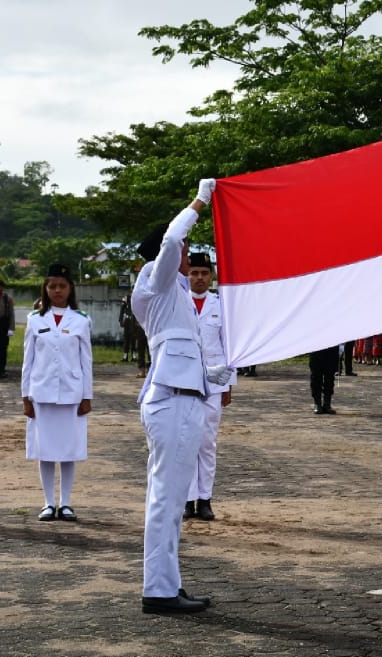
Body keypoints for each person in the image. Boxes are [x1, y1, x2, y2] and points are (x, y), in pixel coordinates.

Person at [131, 179, 232, 614]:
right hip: (171, 401)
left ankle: (166, 585)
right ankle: (157, 590)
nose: (188, 252)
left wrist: (213, 374)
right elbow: (173, 237)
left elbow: (181, 355)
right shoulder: (156, 281)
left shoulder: (171, 295)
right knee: (166, 500)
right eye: (186, 248)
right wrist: (200, 199)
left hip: (184, 396)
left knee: (171, 501)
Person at [21, 263, 93, 522]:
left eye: (62, 285)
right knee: (46, 450)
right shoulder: (34, 319)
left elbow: (87, 361)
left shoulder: (81, 320)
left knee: (69, 450)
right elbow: (27, 361)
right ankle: (48, 503)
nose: (57, 290)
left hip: (72, 393)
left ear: (70, 288)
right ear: (46, 288)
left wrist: (87, 395)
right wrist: (25, 396)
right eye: (52, 286)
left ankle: (66, 503)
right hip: (42, 391)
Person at [185, 252, 235, 521]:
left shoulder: (221, 305)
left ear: (211, 276)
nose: (199, 278)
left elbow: (230, 346)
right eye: (194, 273)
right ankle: (187, 498)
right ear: (187, 275)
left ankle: (204, 499)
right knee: (185, 443)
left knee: (206, 443)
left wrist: (228, 385)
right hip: (183, 381)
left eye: (204, 273)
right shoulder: (178, 303)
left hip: (214, 382)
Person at [309, 345, 339, 414]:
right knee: (316, 377)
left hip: (332, 347)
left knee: (330, 377)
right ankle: (317, 404)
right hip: (316, 347)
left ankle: (327, 404)